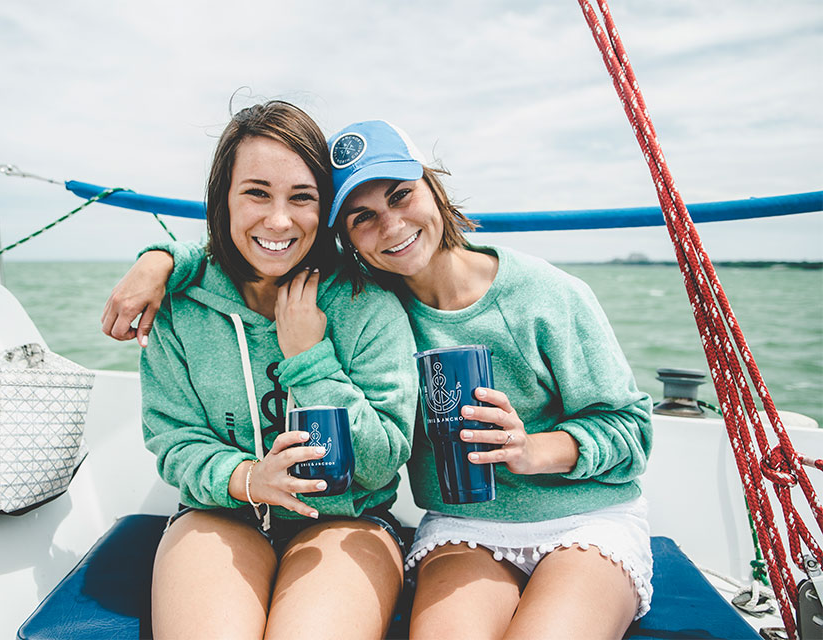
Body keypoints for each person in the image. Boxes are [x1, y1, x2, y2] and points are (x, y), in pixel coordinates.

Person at [105, 119, 653, 639]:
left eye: (401, 195)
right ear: (344, 235)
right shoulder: (197, 301)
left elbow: (631, 428)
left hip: (570, 518)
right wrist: (161, 259)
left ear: (433, 188)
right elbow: (176, 435)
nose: (390, 226)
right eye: (362, 217)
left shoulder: (387, 302)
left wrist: (532, 450)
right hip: (457, 526)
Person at [128, 103, 417, 639]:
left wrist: (309, 361)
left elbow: (380, 463)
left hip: (345, 521)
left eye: (302, 197)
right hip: (220, 513)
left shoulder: (366, 306)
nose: (279, 220)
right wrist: (246, 479)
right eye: (257, 193)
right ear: (224, 200)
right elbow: (174, 439)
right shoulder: (179, 305)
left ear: (325, 209)